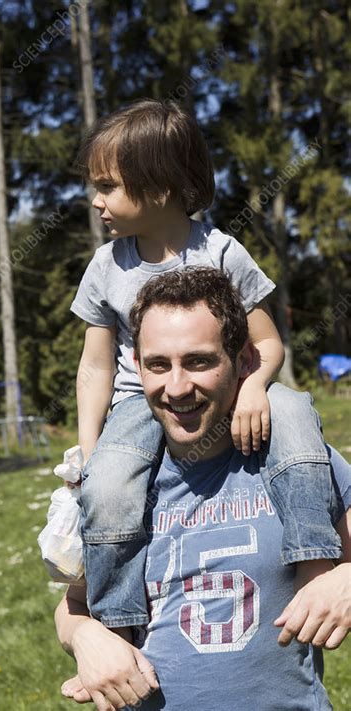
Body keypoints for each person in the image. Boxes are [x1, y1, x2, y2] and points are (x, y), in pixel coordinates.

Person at [70, 99, 340, 631]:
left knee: (296, 414)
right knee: (107, 486)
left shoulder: (223, 252)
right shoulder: (106, 266)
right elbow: (96, 367)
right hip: (138, 404)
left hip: (235, 386)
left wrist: (258, 386)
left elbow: (267, 344)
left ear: (160, 188)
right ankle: (118, 621)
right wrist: (87, 447)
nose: (97, 201)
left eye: (108, 186)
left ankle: (315, 562)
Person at [55, 267, 351, 711]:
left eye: (199, 361)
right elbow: (74, 604)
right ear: (136, 368)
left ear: (245, 361)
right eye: (158, 364)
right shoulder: (116, 482)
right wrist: (85, 638)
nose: (177, 387)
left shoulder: (299, 461)